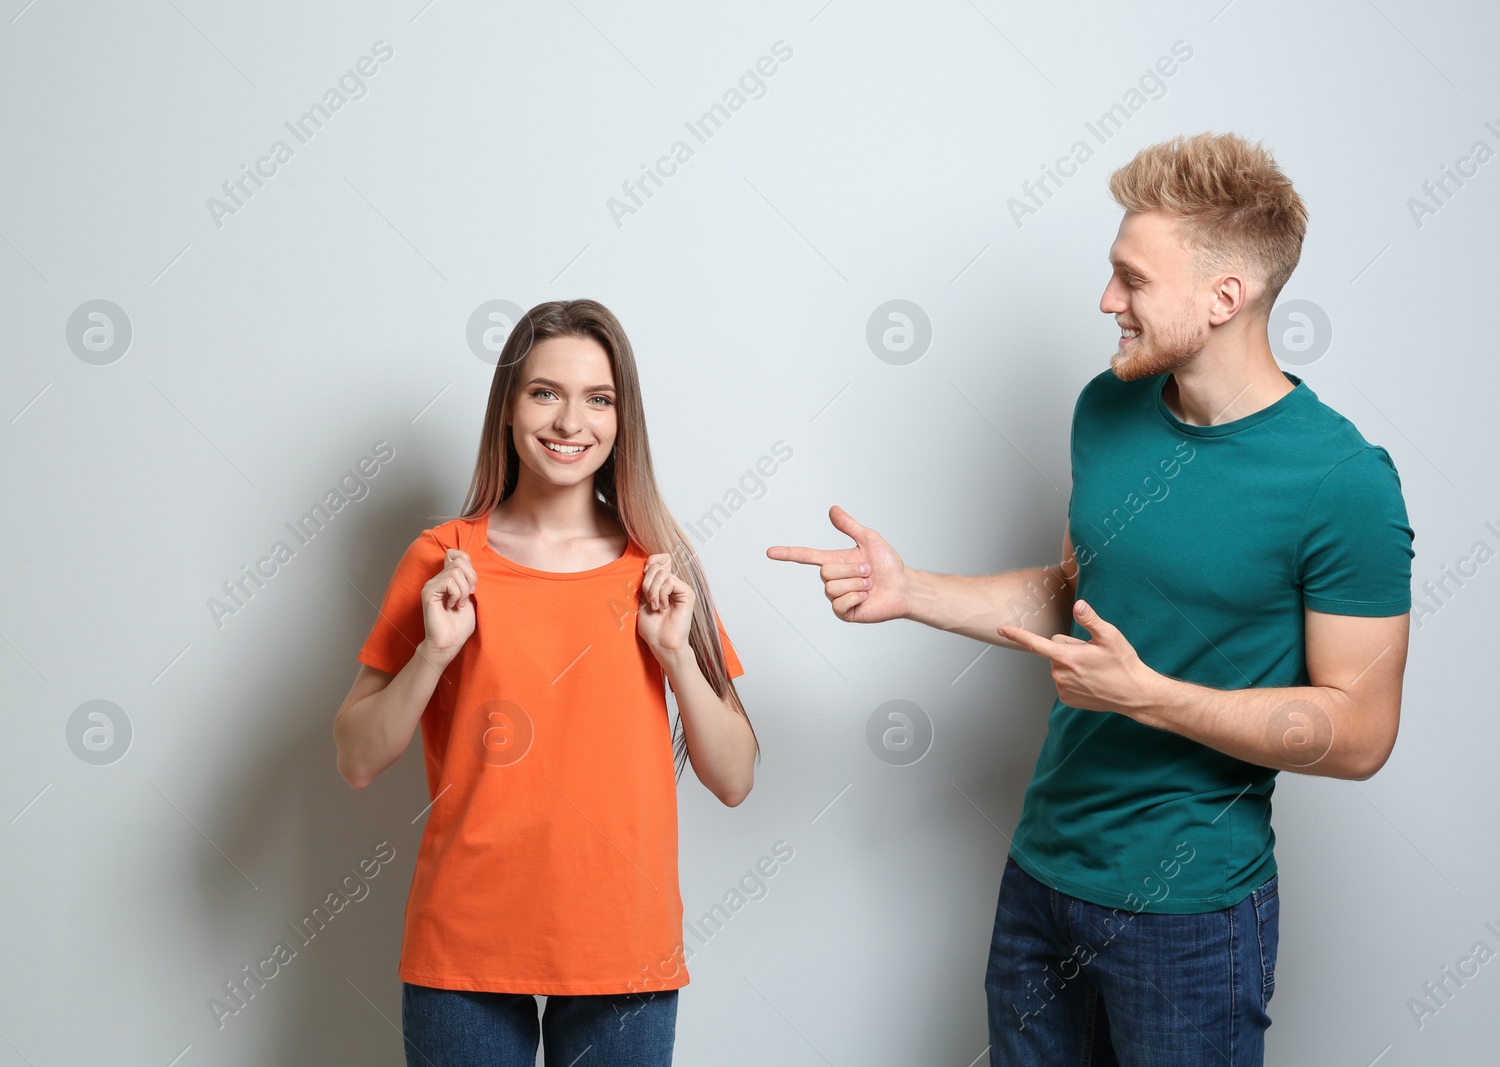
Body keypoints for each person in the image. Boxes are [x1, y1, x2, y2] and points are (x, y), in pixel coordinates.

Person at [768, 132, 1414, 1065]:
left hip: (1189, 917)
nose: (1107, 300)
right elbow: (1076, 596)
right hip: (1042, 876)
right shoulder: (1105, 410)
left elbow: (1360, 732)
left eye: (1132, 279)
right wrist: (913, 592)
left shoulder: (1344, 482)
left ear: (1223, 297)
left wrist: (1147, 695)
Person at [334, 299, 759, 1067]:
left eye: (598, 398)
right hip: (465, 940)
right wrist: (433, 654)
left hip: (622, 943)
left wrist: (676, 656)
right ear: (507, 407)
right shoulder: (443, 558)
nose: (571, 421)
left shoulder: (659, 568)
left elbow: (734, 776)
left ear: (623, 418)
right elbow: (357, 757)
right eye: (545, 392)